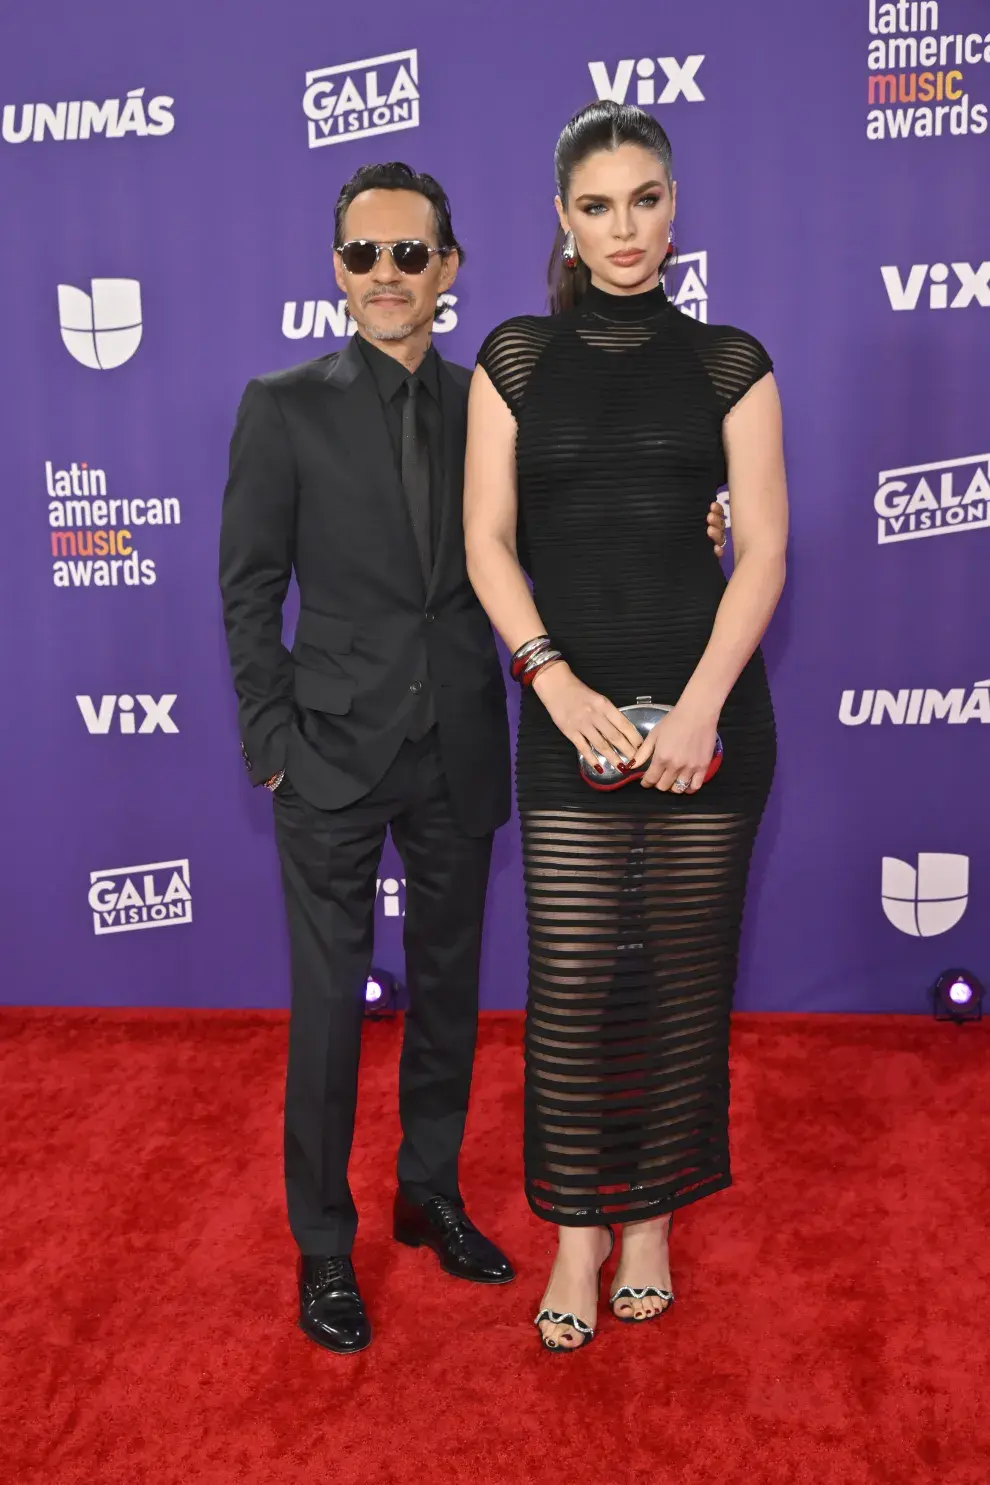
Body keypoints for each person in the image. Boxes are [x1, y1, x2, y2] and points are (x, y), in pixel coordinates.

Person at [219, 159, 729, 1357]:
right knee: (329, 1017)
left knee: (448, 997)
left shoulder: (502, 395)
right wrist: (271, 748)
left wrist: (703, 520)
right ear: (335, 271)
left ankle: (430, 1193)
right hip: (330, 756)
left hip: (459, 739)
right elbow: (248, 592)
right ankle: (326, 1248)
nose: (386, 275)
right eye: (363, 255)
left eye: (411, 254)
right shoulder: (280, 403)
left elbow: (573, 521)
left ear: (448, 270)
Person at [464, 101, 787, 1352]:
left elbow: (760, 552)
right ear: (562, 217)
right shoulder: (513, 360)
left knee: (681, 983)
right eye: (597, 206)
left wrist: (700, 708)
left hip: (709, 721)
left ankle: (648, 1220)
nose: (624, 229)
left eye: (645, 199)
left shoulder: (731, 363)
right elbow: (488, 541)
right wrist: (551, 681)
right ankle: (577, 1233)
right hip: (567, 714)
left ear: (673, 204)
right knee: (579, 985)